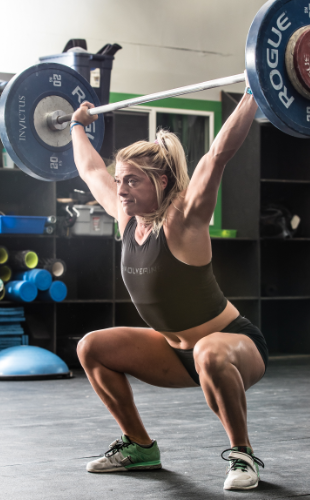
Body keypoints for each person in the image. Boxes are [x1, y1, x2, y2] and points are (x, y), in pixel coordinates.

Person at [69, 86, 268, 490]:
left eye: (132, 182)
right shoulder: (126, 217)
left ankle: (243, 456)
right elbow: (91, 171)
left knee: (210, 351)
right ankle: (140, 447)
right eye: (120, 181)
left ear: (160, 181)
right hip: (175, 353)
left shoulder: (186, 218)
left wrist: (255, 92)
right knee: (91, 346)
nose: (121, 190)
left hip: (232, 345)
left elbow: (217, 156)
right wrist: (76, 125)